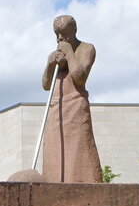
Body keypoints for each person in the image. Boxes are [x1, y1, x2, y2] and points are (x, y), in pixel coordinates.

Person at [39, 15, 103, 183]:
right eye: (56, 34)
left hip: (75, 105)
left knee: (78, 150)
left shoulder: (87, 48)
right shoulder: (54, 55)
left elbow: (80, 77)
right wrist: (51, 64)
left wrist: (69, 55)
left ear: (74, 31)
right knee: (53, 151)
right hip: (56, 108)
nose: (60, 38)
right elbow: (46, 85)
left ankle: (83, 184)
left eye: (63, 33)